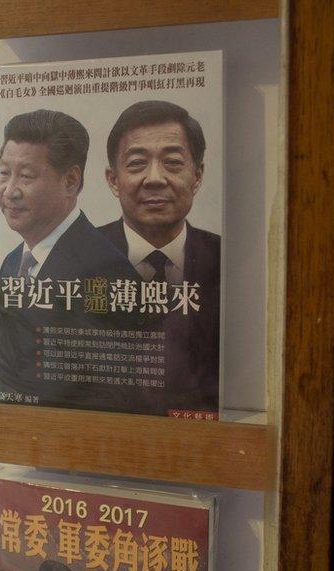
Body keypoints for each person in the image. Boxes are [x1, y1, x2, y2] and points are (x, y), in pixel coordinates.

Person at [0, 109, 139, 409]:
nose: (10, 191)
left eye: (27, 176)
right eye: (5, 173)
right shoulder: (10, 263)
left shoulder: (105, 269)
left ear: (71, 181)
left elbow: (114, 392)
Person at [98, 100, 220, 414]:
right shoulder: (76, 257)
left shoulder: (226, 261)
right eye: (137, 163)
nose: (155, 178)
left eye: (173, 162)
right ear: (113, 180)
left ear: (198, 174)